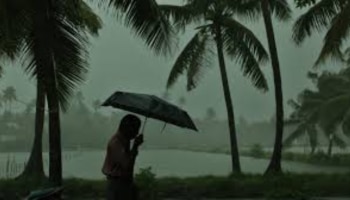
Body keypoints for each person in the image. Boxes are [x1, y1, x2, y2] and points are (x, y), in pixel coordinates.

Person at [102, 114, 144, 200]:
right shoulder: (116, 143)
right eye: (136, 129)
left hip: (124, 183)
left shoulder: (125, 141)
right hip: (118, 185)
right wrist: (135, 146)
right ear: (128, 128)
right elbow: (127, 165)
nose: (137, 133)